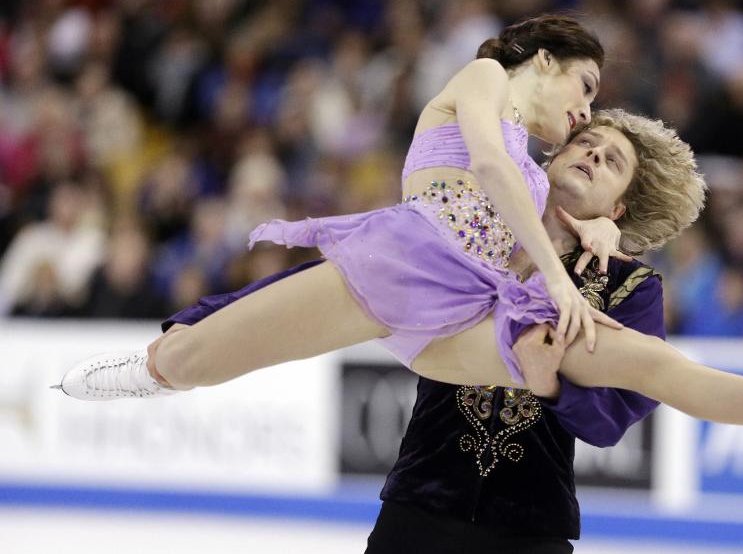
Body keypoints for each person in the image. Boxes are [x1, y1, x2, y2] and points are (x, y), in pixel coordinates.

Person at [57, 15, 743, 462]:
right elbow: (487, 167)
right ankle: (147, 369)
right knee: (197, 361)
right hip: (396, 268)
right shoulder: (483, 80)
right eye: (585, 85)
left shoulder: (547, 167)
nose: (587, 107)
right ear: (546, 61)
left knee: (639, 360)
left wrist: (593, 231)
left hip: (463, 319)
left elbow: (537, 204)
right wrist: (562, 274)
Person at [156, 110, 676, 553]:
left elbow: (616, 416)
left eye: (611, 161)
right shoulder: (471, 227)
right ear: (552, 157)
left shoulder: (633, 287)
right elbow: (350, 272)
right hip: (419, 510)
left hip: (531, 527)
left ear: (617, 208)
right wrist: (207, 318)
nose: (591, 155)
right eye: (586, 142)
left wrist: (553, 386)